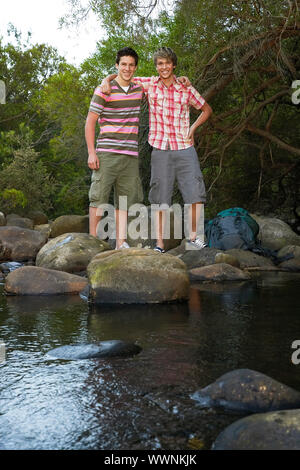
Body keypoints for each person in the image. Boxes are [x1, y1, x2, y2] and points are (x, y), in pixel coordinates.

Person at [102, 47, 212, 251]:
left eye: (167, 63)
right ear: (156, 66)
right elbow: (125, 74)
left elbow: (206, 109)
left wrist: (193, 128)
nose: (164, 67)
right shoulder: (150, 85)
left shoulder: (185, 87)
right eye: (160, 64)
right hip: (160, 149)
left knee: (195, 194)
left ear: (174, 65)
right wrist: (106, 80)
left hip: (184, 147)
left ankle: (194, 239)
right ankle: (160, 244)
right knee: (160, 198)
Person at [85, 47, 144, 249]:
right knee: (98, 198)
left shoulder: (139, 89)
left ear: (135, 67)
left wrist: (184, 80)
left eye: (131, 65)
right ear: (117, 65)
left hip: (130, 155)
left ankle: (120, 243)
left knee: (125, 202)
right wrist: (92, 152)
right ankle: (92, 242)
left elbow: (164, 78)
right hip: (107, 153)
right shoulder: (104, 90)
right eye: (123, 64)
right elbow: (90, 122)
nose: (127, 68)